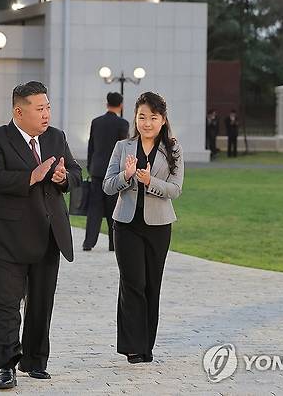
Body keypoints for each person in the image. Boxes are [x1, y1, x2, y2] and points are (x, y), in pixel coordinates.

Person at [0, 81, 82, 389]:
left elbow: (77, 173)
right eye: (40, 109)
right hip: (6, 237)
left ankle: (35, 361)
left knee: (40, 304)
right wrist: (31, 176)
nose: (46, 114)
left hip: (48, 234)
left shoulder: (56, 138)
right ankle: (6, 366)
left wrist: (64, 178)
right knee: (5, 306)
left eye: (48, 107)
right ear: (19, 111)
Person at [103, 92, 184, 363]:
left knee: (152, 285)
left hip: (159, 227)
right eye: (142, 117)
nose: (147, 122)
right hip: (125, 225)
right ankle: (132, 347)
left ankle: (146, 345)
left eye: (153, 117)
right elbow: (107, 184)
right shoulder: (122, 147)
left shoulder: (172, 149)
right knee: (132, 283)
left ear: (162, 120)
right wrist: (126, 176)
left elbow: (175, 189)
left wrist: (150, 181)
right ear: (135, 118)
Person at [82, 92, 129, 252]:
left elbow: (91, 146)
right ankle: (113, 244)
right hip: (114, 172)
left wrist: (90, 166)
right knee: (112, 208)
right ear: (121, 105)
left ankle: (88, 243)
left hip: (97, 170)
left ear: (107, 103)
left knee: (94, 209)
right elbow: (124, 148)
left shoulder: (96, 122)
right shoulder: (122, 124)